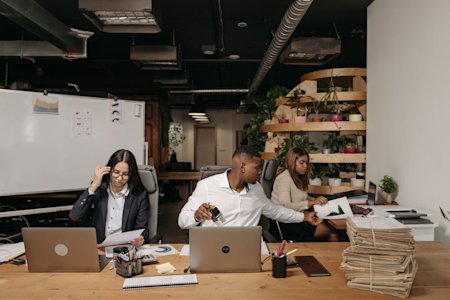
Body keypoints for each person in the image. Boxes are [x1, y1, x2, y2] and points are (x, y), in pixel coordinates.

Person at [178, 145, 321, 229]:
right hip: (216, 248)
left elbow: (276, 211)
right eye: (257, 168)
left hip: (249, 249)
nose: (260, 172)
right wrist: (196, 216)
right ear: (242, 167)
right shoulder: (207, 186)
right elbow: (182, 220)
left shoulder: (256, 189)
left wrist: (304, 216)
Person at [69, 149, 149, 246]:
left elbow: (142, 229)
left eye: (125, 174)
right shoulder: (100, 189)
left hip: (124, 248)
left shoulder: (139, 195)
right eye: (116, 172)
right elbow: (75, 216)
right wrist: (94, 185)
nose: (120, 178)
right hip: (99, 247)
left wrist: (140, 238)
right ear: (109, 170)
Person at [271, 147, 339, 242]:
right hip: (287, 224)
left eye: (306, 163)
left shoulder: (297, 177)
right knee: (332, 233)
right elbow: (285, 206)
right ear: (292, 162)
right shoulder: (284, 179)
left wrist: (316, 200)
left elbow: (302, 197)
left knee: (329, 228)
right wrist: (311, 202)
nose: (305, 166)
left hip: (298, 218)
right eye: (301, 163)